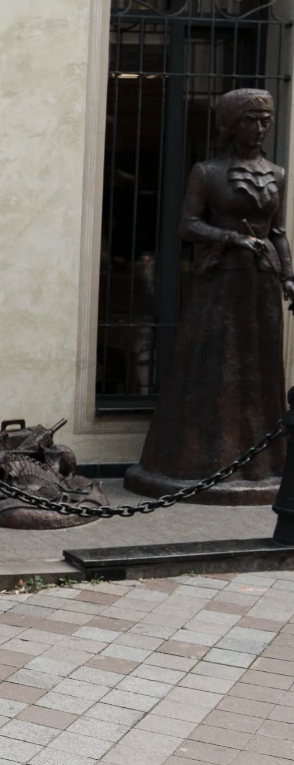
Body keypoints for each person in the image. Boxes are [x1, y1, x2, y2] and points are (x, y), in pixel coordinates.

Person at [129, 87, 294, 499]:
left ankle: (263, 466)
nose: (259, 129)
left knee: (259, 374)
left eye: (265, 121)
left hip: (262, 287)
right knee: (216, 369)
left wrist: (289, 276)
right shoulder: (207, 172)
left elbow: (278, 233)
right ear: (232, 124)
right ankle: (205, 461)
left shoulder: (278, 175)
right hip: (219, 286)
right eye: (250, 120)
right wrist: (230, 238)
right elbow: (187, 226)